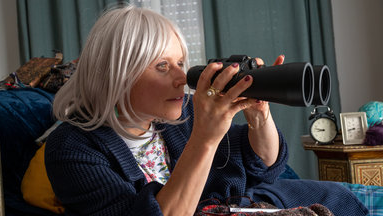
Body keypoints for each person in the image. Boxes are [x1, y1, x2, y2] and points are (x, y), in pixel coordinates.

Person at [45, 4, 368, 216]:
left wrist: (259, 114)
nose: (181, 77)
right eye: (161, 65)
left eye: (181, 63)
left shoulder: (180, 114)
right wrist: (206, 137)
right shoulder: (73, 148)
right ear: (117, 72)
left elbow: (265, 165)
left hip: (283, 199)